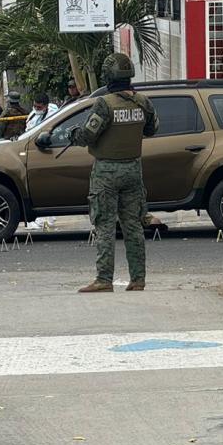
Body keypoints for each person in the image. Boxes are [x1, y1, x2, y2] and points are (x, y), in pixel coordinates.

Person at [69, 53, 159, 293]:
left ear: (108, 76)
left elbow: (89, 134)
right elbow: (152, 129)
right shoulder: (142, 101)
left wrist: (73, 135)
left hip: (107, 171)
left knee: (105, 224)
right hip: (133, 169)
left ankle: (104, 279)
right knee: (133, 226)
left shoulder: (105, 104)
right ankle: (138, 279)